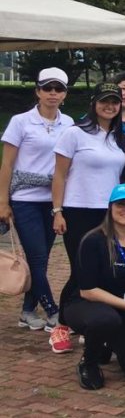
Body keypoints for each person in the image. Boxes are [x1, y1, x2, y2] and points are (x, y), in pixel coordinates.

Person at [51, 83, 125, 353]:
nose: (110, 106)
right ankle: (62, 324)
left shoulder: (120, 137)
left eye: (115, 102)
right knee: (80, 270)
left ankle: (93, 322)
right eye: (104, 101)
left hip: (108, 213)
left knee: (104, 270)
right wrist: (57, 211)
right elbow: (59, 175)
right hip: (78, 209)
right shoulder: (74, 133)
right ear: (94, 103)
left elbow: (122, 177)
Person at [0, 68, 74, 334]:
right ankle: (53, 310)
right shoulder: (21, 121)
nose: (52, 94)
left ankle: (27, 311)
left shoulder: (69, 124)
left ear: (65, 94)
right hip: (25, 198)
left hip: (53, 200)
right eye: (47, 88)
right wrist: (3, 202)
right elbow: (6, 165)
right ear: (38, 91)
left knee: (39, 260)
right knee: (37, 256)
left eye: (58, 89)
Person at [66, 184, 125, 389]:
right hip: (87, 303)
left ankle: (106, 341)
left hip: (123, 308)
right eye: (121, 204)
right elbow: (88, 291)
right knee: (105, 319)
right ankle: (88, 363)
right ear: (110, 207)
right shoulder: (93, 240)